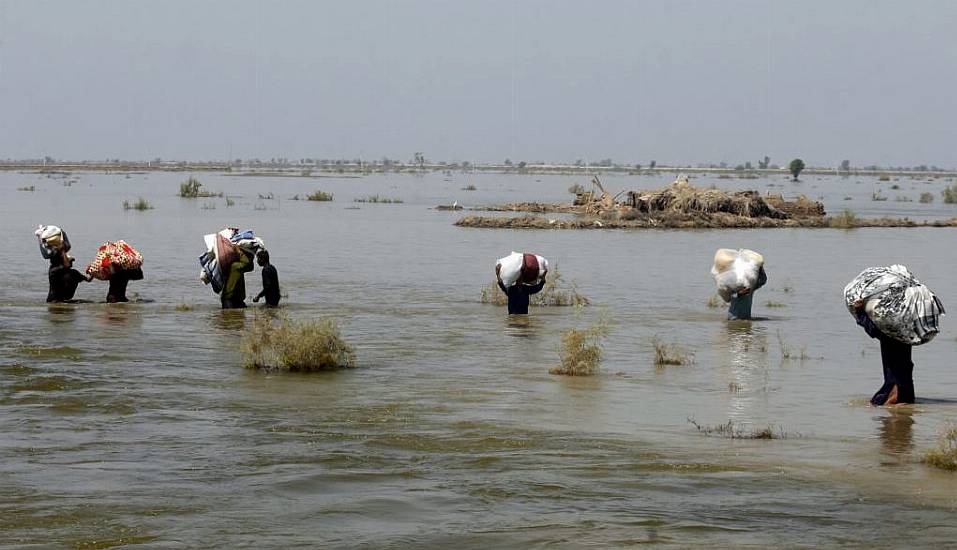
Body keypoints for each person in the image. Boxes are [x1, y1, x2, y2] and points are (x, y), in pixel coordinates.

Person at [854, 299, 914, 406]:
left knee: (879, 405)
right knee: (903, 406)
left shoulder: (888, 329)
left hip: (895, 380)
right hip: (905, 378)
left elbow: (872, 330)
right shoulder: (906, 329)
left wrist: (860, 312)